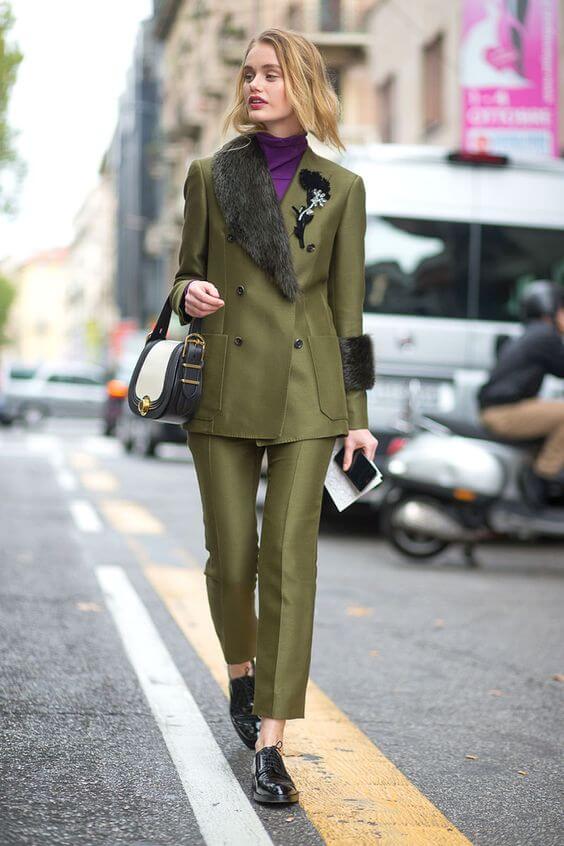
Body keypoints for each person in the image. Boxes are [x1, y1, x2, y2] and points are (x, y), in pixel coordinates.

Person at [168, 28, 377, 804]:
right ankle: (241, 674)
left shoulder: (341, 189)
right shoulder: (209, 174)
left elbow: (348, 312)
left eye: (271, 74)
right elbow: (186, 272)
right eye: (248, 74)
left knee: (291, 563)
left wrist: (357, 413)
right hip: (223, 381)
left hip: (308, 392)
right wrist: (187, 293)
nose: (254, 86)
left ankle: (272, 737)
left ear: (302, 84)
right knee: (231, 558)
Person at [478, 280, 564, 505]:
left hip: (500, 409)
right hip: (503, 412)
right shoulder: (545, 335)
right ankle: (544, 477)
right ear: (551, 310)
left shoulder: (532, 333)